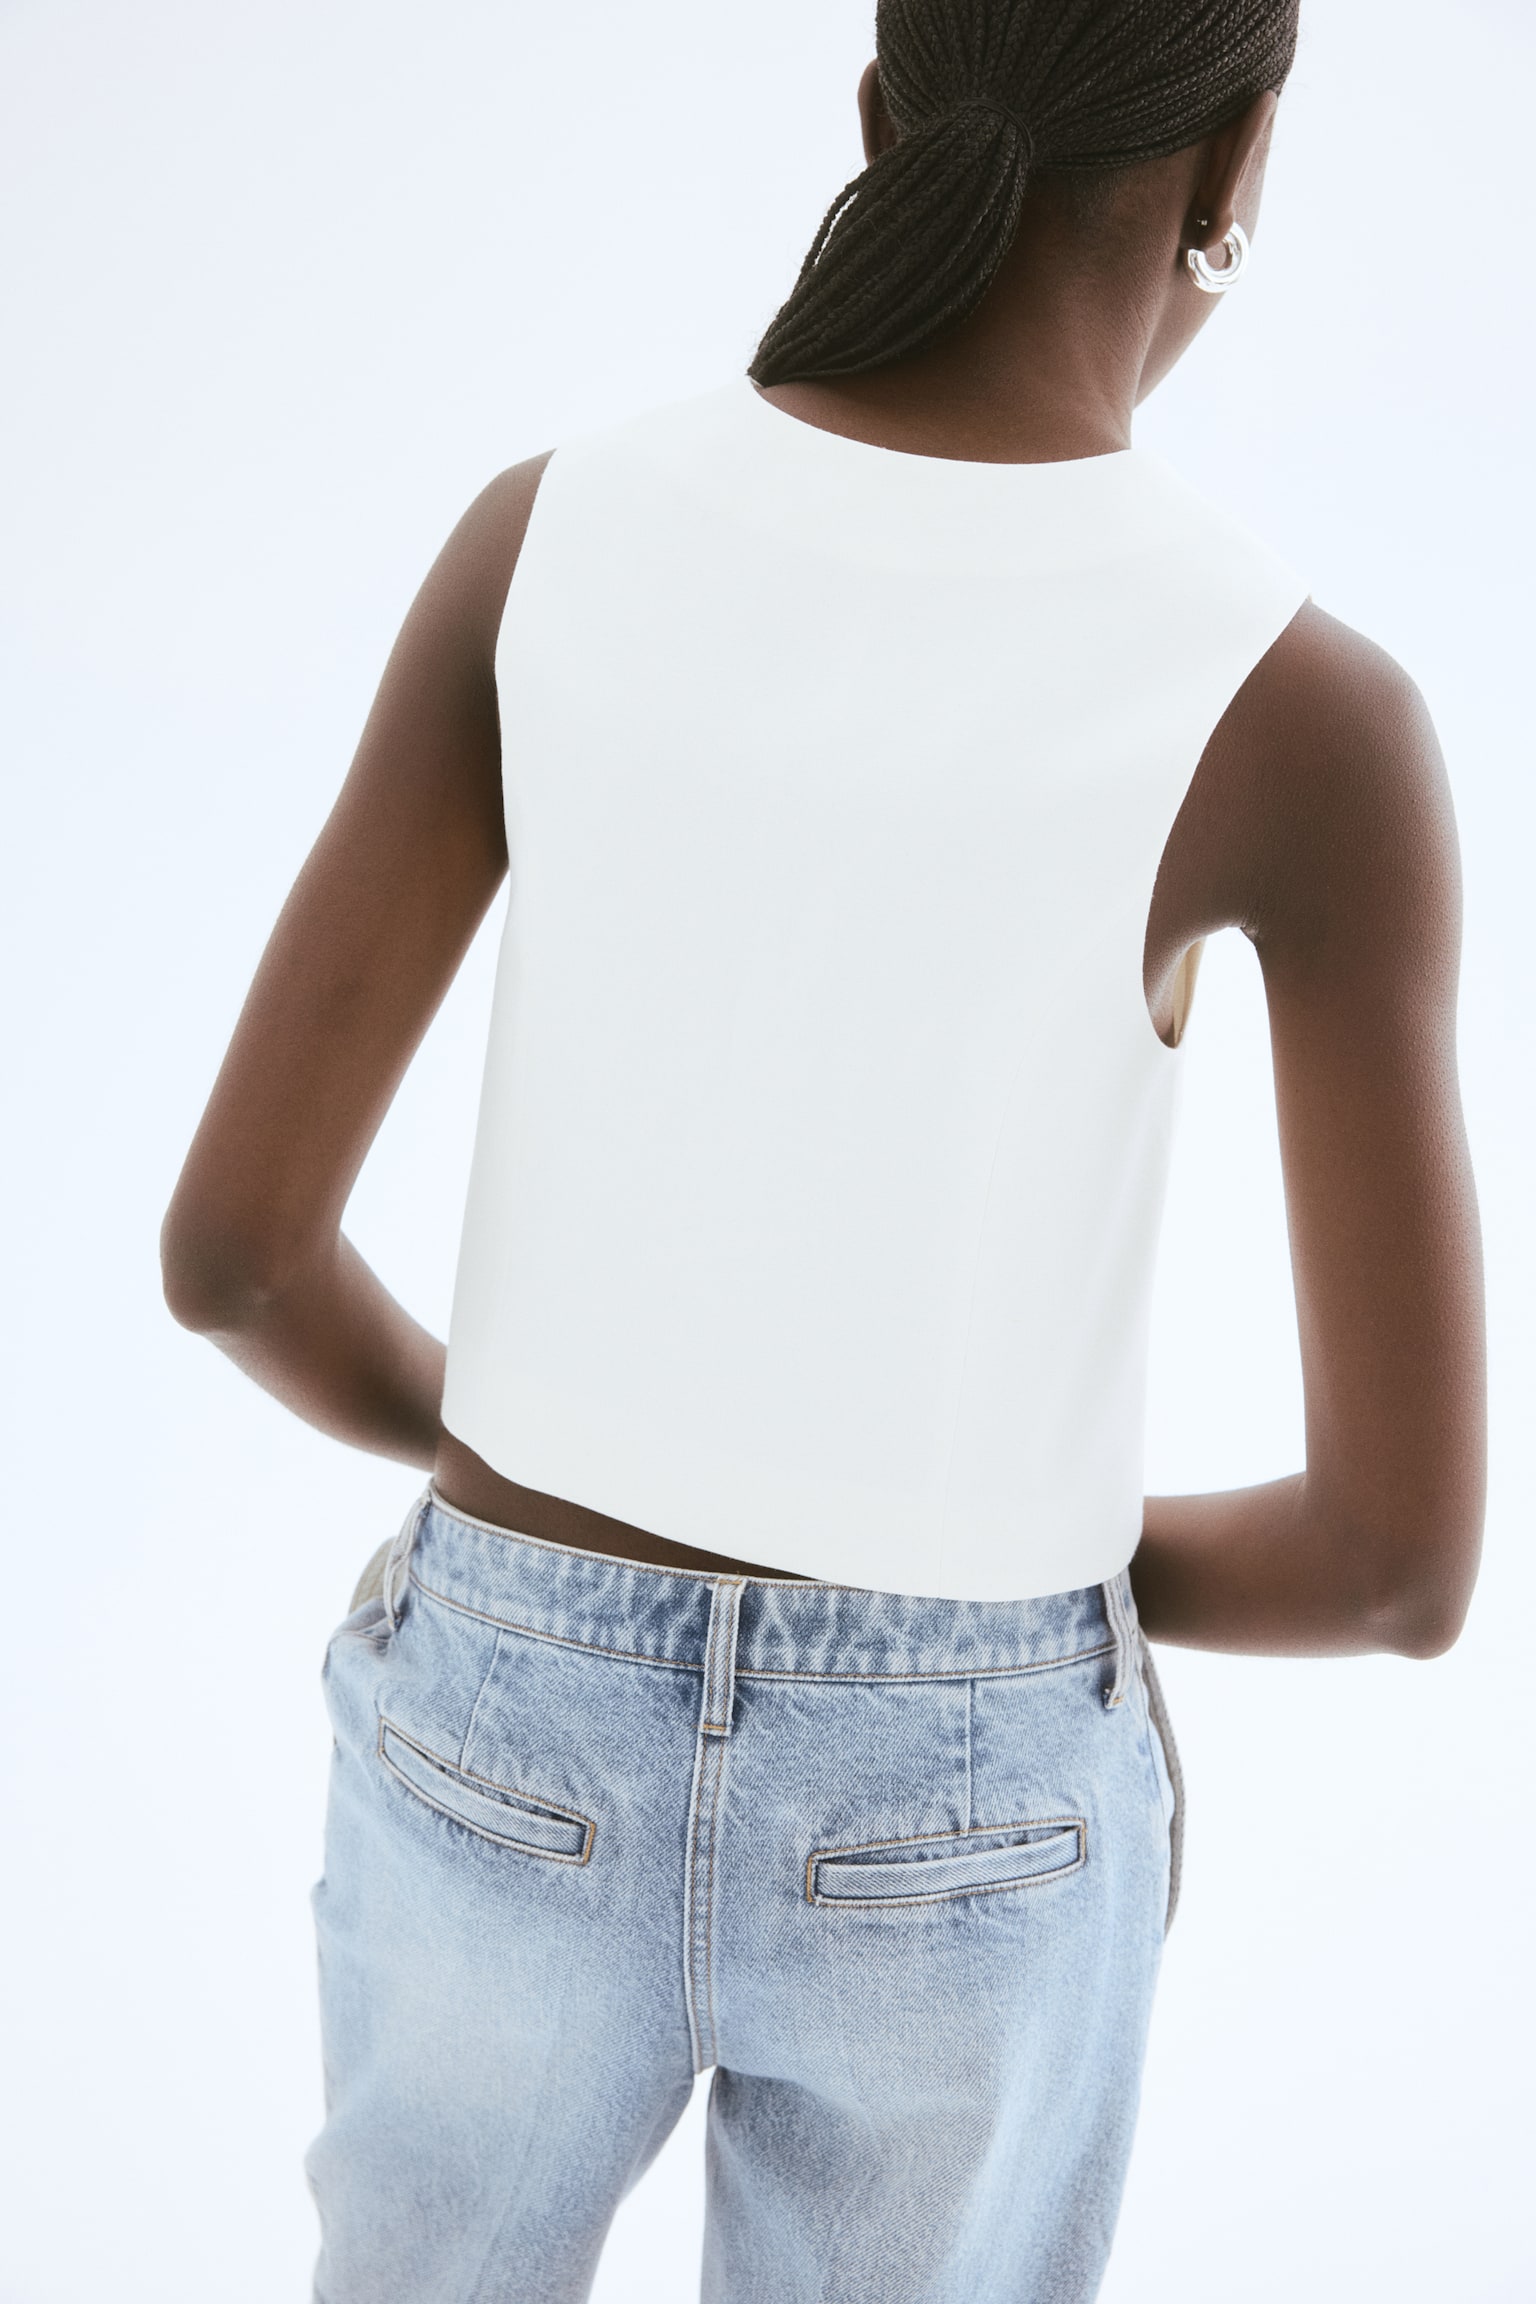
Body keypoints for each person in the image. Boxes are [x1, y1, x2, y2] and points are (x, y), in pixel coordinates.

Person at [160, 0, 1486, 2295]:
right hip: (968, 1799)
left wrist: (539, 1464)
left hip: (502, 1717)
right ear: (1237, 164)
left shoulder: (543, 538)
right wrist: (977, 1583)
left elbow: (239, 1259)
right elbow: (1396, 1564)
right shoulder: (1305, 714)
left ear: (880, 109)